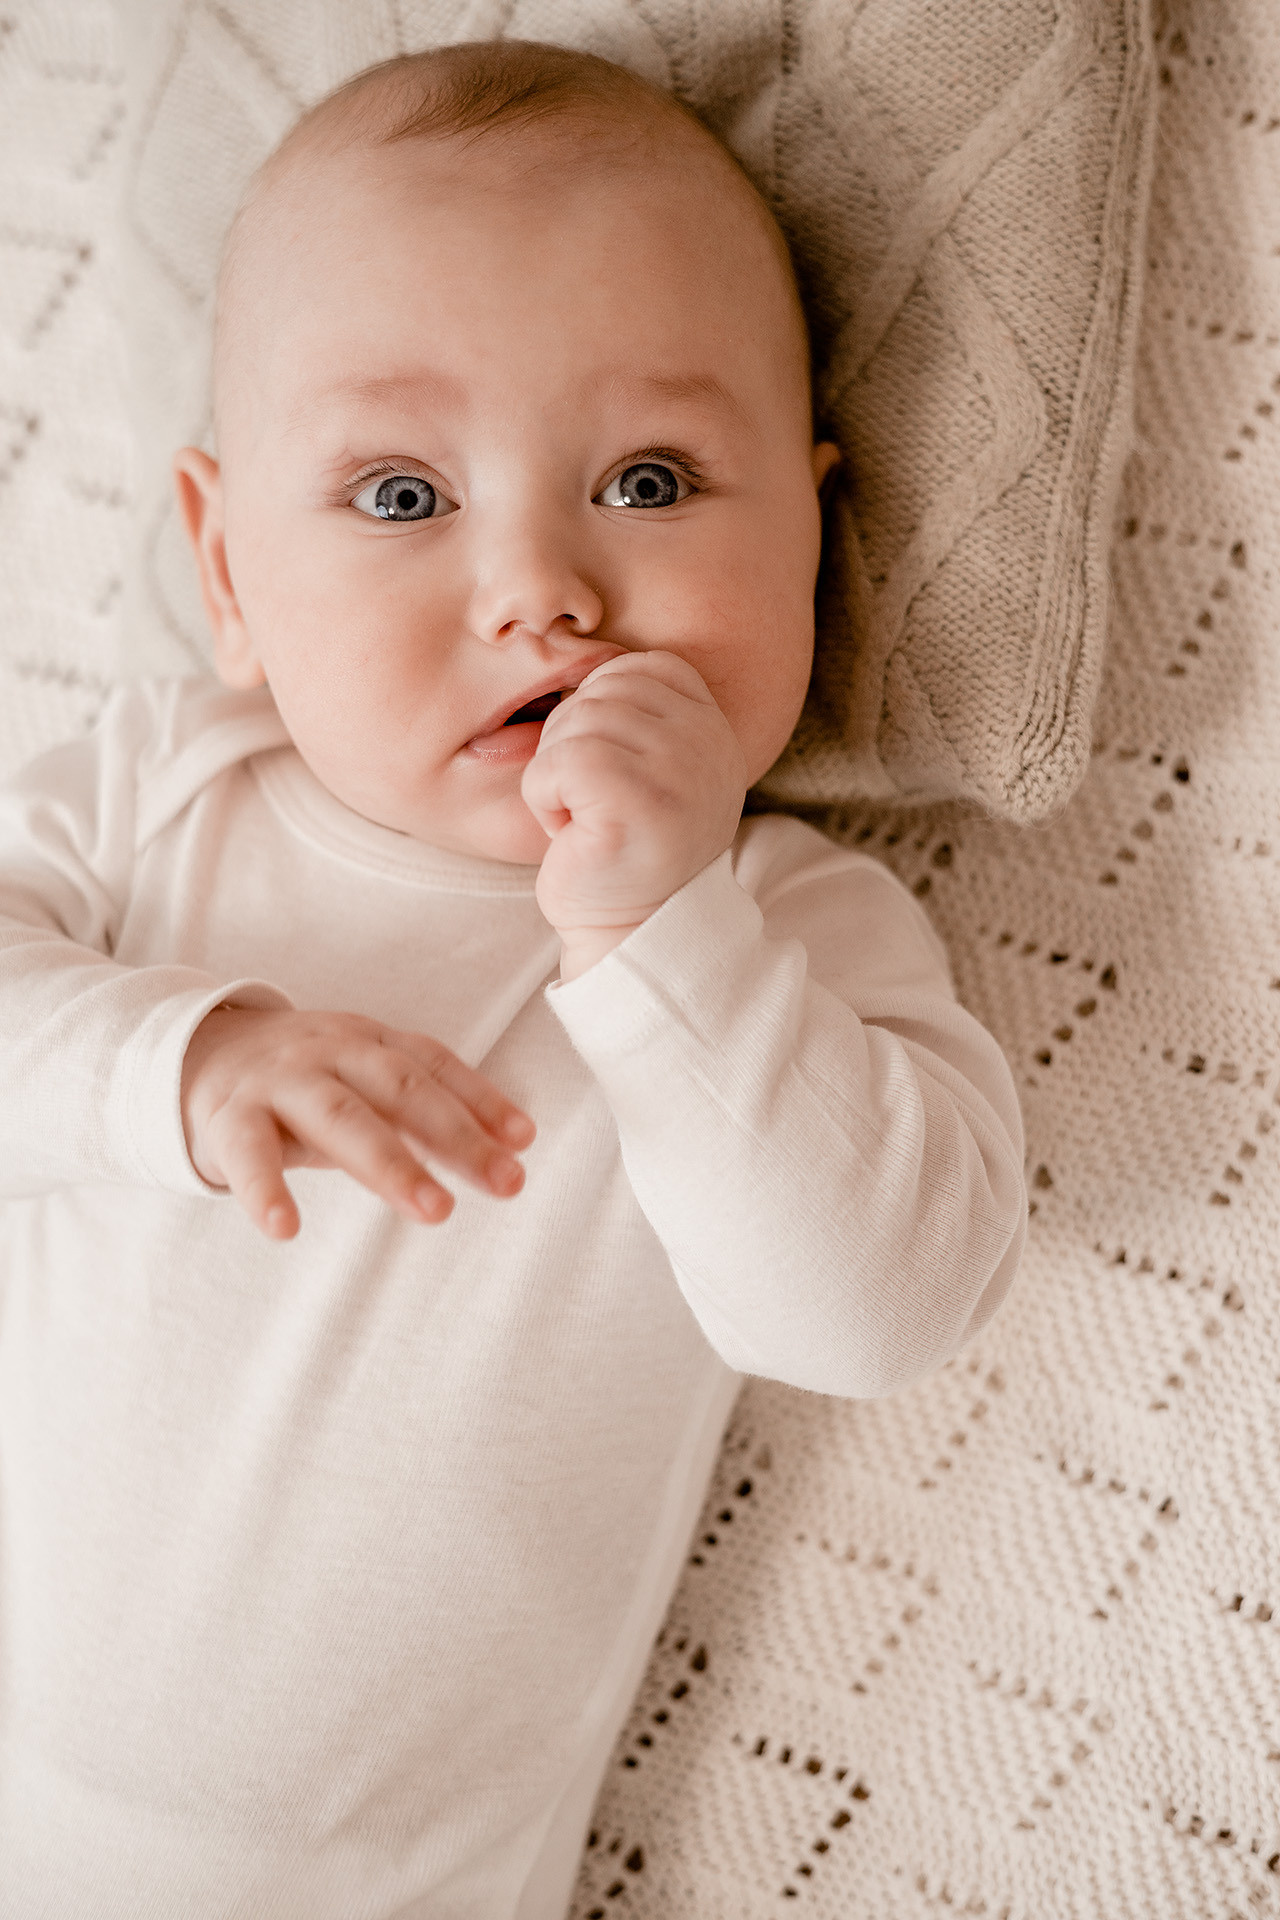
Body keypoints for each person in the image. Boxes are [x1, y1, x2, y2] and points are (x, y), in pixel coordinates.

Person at [0, 40, 1026, 1920]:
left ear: (813, 527)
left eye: (650, 478)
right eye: (401, 497)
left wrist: (660, 933)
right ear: (226, 568)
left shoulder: (789, 933)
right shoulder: (161, 797)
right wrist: (176, 1062)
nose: (541, 590)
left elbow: (877, 1312)